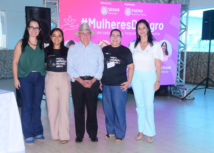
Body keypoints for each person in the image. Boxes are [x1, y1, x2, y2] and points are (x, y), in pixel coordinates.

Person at [67, 23, 104, 143]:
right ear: (78, 35)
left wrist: (93, 80)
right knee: (78, 110)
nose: (85, 35)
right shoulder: (72, 49)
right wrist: (81, 81)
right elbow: (70, 69)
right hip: (78, 83)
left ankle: (93, 134)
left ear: (90, 35)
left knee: (92, 109)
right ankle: (79, 135)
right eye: (83, 33)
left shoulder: (97, 48)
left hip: (93, 82)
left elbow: (101, 66)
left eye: (87, 33)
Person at [129, 19, 164, 143]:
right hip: (136, 77)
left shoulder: (155, 45)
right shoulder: (133, 45)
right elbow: (130, 64)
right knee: (140, 105)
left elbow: (158, 65)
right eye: (139, 28)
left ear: (148, 29)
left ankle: (149, 132)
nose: (142, 30)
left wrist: (158, 81)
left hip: (150, 77)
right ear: (137, 31)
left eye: (144, 27)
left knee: (149, 105)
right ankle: (141, 130)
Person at [12, 18, 46, 144]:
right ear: (27, 28)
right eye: (31, 27)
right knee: (27, 107)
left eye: (36, 28)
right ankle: (28, 134)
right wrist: (15, 79)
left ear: (40, 30)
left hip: (40, 78)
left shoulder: (42, 43)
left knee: (37, 106)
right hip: (25, 78)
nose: (34, 30)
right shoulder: (21, 43)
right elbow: (15, 62)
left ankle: (38, 131)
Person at [100, 29, 134, 142]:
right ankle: (110, 131)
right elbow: (100, 66)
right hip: (106, 84)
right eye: (113, 36)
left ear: (121, 37)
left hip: (119, 86)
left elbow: (131, 67)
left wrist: (129, 82)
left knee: (119, 110)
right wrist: (100, 81)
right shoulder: (104, 50)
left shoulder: (125, 51)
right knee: (108, 110)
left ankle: (120, 133)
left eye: (117, 36)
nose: (115, 38)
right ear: (110, 37)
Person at [44, 28, 70, 144]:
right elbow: (43, 65)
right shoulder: (45, 51)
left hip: (64, 78)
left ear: (62, 37)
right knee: (52, 108)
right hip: (51, 79)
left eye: (59, 35)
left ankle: (64, 134)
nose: (56, 38)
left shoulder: (67, 51)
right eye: (54, 35)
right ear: (50, 37)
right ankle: (55, 134)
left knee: (64, 108)